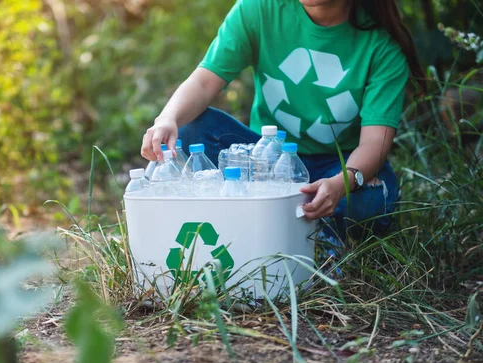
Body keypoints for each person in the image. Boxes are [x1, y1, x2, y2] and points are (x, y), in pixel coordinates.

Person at [140, 0, 425, 242]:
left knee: (374, 205)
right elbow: (204, 82)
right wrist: (167, 119)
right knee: (194, 130)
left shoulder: (383, 47)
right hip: (265, 160)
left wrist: (342, 184)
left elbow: (375, 143)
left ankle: (266, 222)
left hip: (341, 165)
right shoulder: (259, 8)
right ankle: (300, 227)